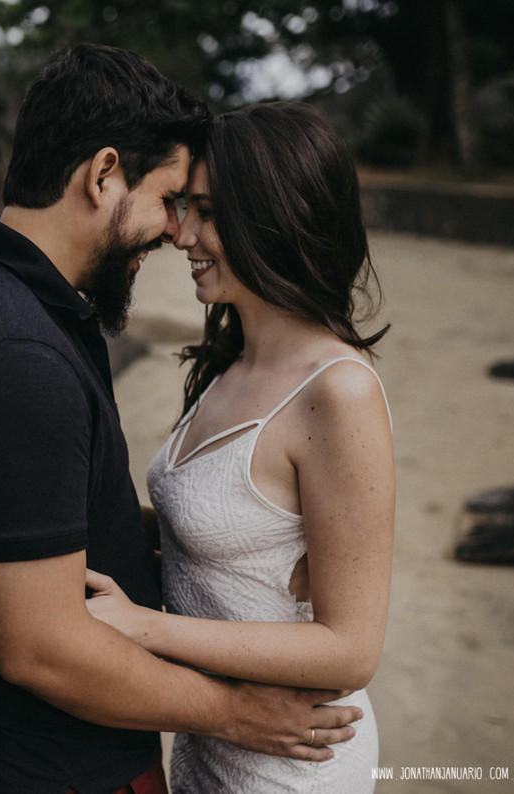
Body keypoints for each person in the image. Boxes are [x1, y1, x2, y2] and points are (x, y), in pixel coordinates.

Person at [0, 45, 362, 794]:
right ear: (103, 173)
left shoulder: (7, 301)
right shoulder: (14, 353)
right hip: (61, 771)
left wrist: (237, 531)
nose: (174, 233)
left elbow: (42, 513)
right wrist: (237, 715)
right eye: (172, 199)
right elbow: (43, 649)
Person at [84, 102, 394, 793]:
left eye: (208, 213)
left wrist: (141, 629)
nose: (182, 233)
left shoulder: (338, 393)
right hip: (211, 747)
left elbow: (349, 649)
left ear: (276, 220)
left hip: (293, 765)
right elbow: (227, 533)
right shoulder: (233, 359)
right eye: (185, 207)